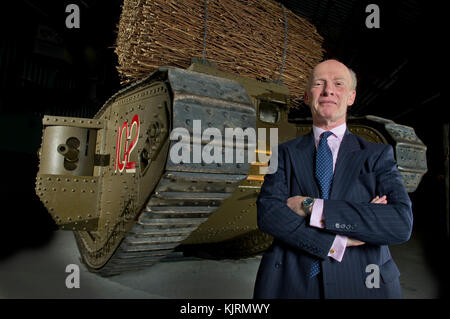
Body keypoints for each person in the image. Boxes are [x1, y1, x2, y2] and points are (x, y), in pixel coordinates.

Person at [253, 59, 413, 299]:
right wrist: (338, 241)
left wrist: (311, 206)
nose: (328, 90)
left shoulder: (378, 155)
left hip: (363, 283)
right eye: (319, 84)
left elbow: (399, 223)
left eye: (339, 84)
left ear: (351, 97)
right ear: (307, 96)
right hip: (293, 283)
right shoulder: (283, 153)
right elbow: (269, 214)